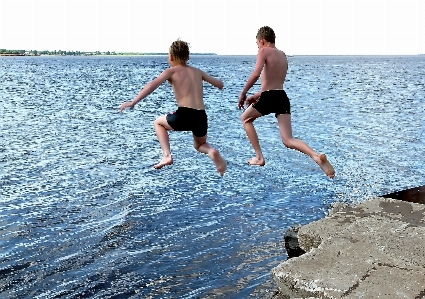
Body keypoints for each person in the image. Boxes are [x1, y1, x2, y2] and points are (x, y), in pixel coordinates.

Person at [238, 26, 335, 178]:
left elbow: (257, 74)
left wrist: (244, 93)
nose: (257, 46)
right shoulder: (283, 55)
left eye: (257, 43)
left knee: (245, 119)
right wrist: (256, 96)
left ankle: (259, 157)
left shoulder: (263, 51)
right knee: (288, 140)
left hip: (270, 97)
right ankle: (316, 156)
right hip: (282, 97)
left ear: (262, 41)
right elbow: (273, 84)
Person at [120, 39, 227, 176]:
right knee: (200, 145)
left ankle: (167, 156)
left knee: (158, 123)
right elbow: (219, 84)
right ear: (188, 57)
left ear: (171, 57)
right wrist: (218, 83)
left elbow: (152, 85)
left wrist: (133, 102)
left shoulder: (171, 72)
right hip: (201, 116)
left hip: (184, 114)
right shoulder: (198, 72)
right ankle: (212, 151)